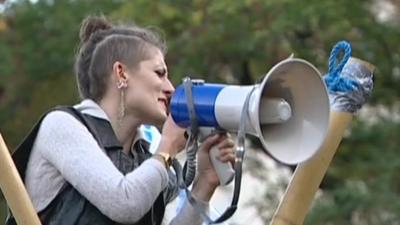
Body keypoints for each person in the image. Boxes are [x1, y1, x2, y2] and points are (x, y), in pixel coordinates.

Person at [6, 16, 235, 225]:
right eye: (160, 73)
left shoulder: (145, 160)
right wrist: (167, 147)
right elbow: (124, 203)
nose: (170, 88)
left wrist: (203, 184)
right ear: (121, 73)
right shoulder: (61, 125)